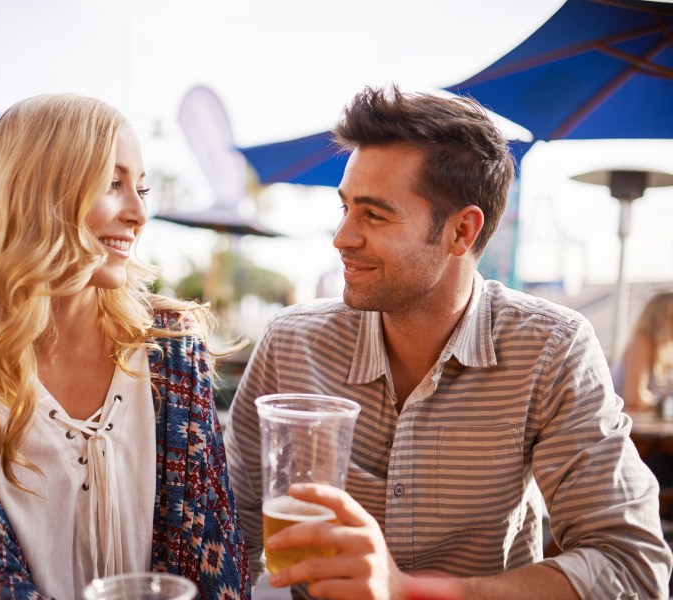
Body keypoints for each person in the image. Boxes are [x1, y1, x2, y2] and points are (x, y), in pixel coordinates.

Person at [224, 85, 672, 599]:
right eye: (345, 207)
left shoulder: (552, 350)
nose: (342, 237)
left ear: (461, 231)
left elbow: (632, 568)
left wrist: (412, 591)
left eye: (373, 214)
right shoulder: (292, 342)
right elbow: (225, 532)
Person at [0, 94, 251, 599]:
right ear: (34, 193)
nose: (139, 213)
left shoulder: (173, 348)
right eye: (113, 184)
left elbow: (213, 569)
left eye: (141, 188)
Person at [613, 290, 673, 413]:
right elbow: (634, 398)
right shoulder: (642, 341)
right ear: (660, 319)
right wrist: (664, 401)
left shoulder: (664, 350)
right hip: (620, 421)